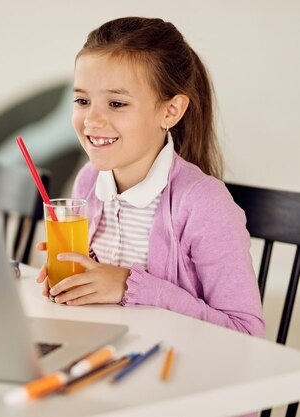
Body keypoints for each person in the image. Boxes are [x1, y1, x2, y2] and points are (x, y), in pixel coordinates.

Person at [35, 17, 265, 337]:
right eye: (82, 101)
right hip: (103, 353)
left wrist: (130, 285)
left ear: (170, 111)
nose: (92, 119)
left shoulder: (203, 203)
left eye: (116, 103)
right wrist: (81, 275)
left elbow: (247, 331)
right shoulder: (89, 181)